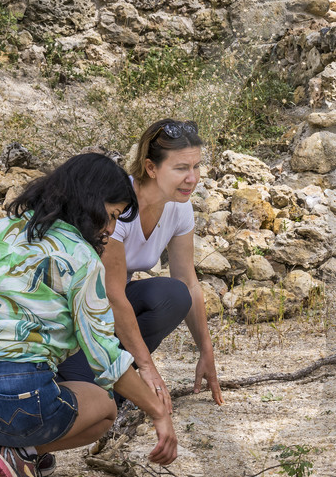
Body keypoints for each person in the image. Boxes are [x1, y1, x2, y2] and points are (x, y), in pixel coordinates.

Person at [0, 153, 178, 477]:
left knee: (46, 371)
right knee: (104, 408)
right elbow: (104, 357)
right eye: (109, 216)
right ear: (88, 201)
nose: (110, 229)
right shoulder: (81, 256)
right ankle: (21, 453)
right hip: (10, 398)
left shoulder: (1, 229)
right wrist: (158, 413)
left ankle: (23, 458)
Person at [54, 119, 222, 410]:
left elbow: (189, 282)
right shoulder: (118, 204)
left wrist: (206, 352)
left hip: (107, 308)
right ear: (151, 167)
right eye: (181, 168)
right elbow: (112, 295)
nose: (192, 178)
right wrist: (148, 369)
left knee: (173, 294)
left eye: (196, 166)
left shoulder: (180, 207)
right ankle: (87, 373)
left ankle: (111, 376)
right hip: (75, 309)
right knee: (93, 398)